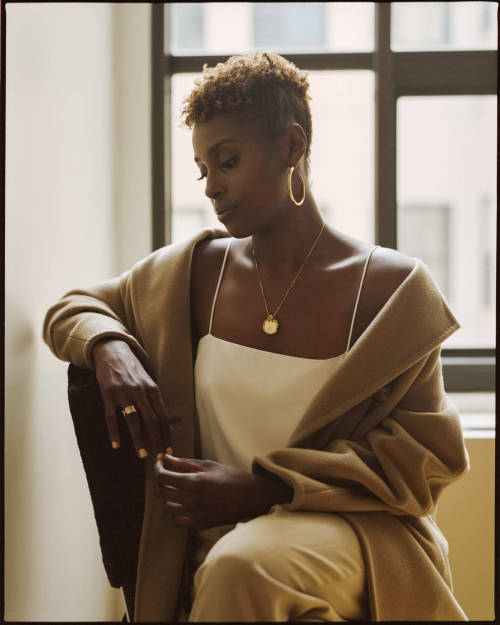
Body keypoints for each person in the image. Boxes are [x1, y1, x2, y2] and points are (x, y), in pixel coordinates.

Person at [43, 52, 469, 622]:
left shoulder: (392, 290)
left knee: (242, 565)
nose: (212, 189)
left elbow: (423, 458)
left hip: (351, 536)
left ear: (291, 149)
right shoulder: (192, 272)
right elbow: (72, 308)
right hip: (210, 545)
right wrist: (108, 346)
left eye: (228, 162)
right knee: (233, 565)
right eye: (203, 170)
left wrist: (264, 489)